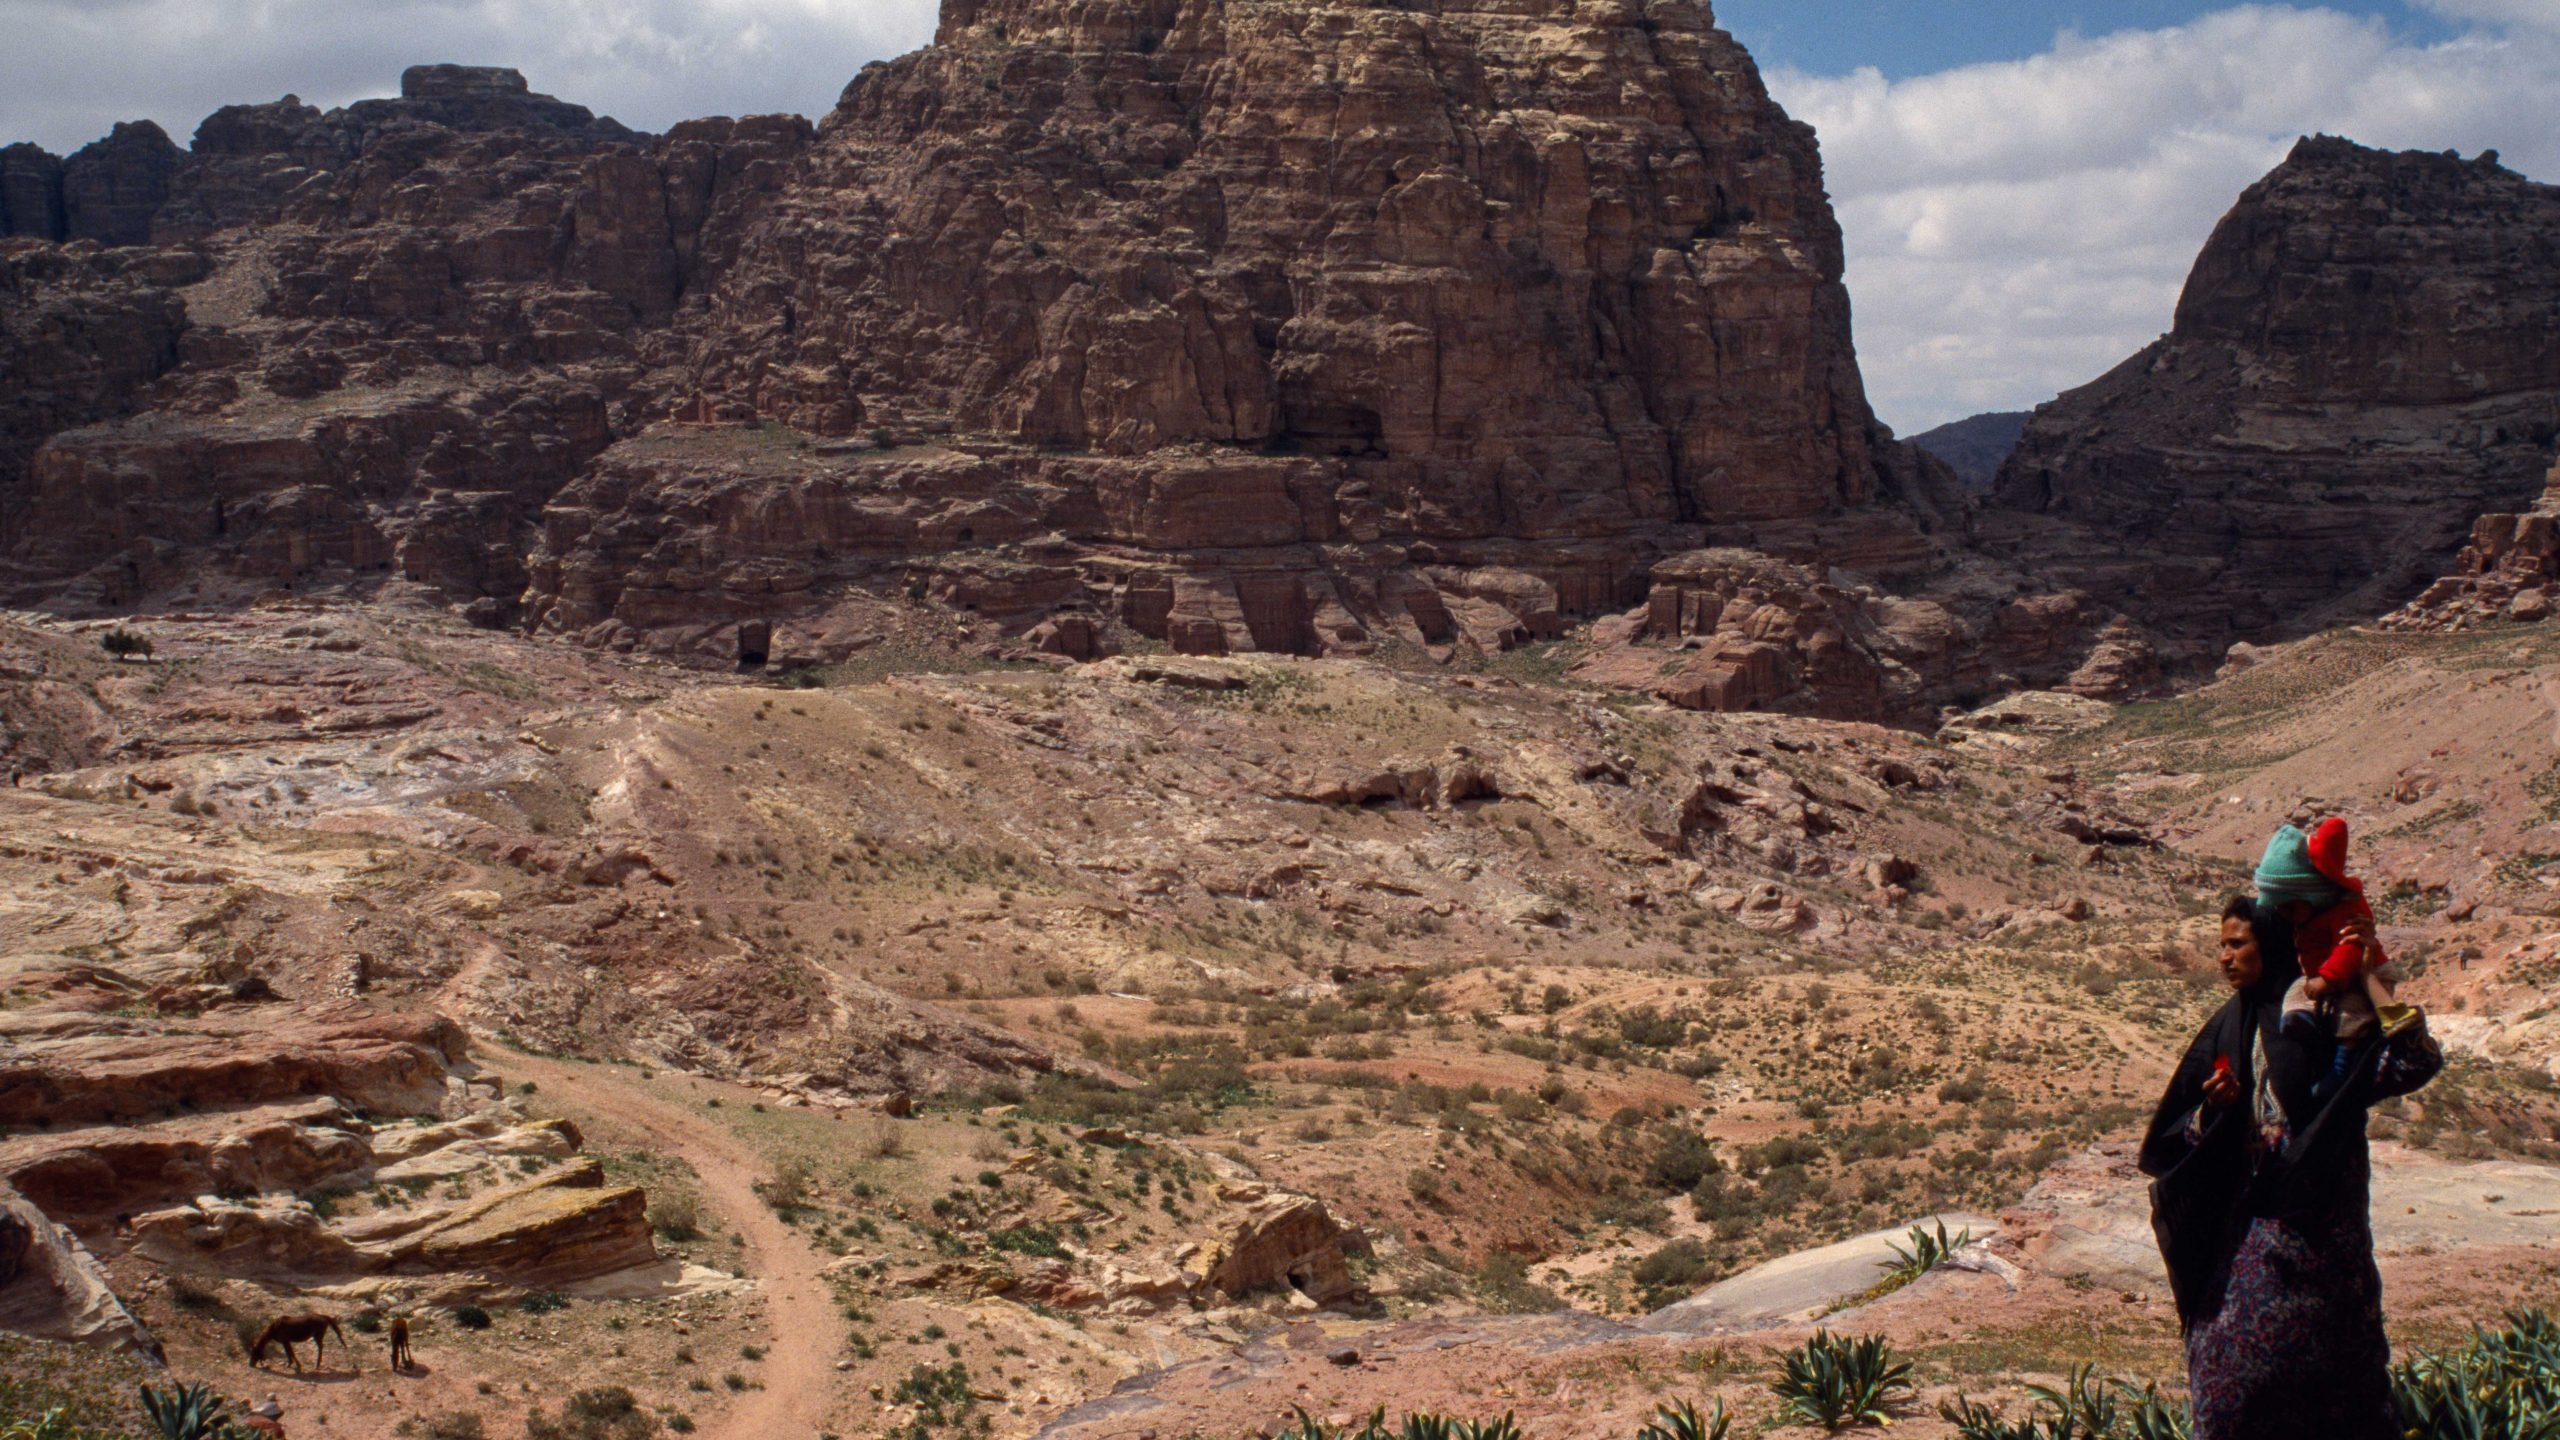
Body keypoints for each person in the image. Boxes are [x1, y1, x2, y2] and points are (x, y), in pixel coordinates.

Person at [2140, 896, 2442, 1440]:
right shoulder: (2230, 1027)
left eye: (2237, 944)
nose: (2224, 958)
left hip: (2328, 1239)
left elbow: (2413, 1061)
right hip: (2256, 1236)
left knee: (2343, 1385)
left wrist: (2366, 965)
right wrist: (2215, 1110)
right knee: (2226, 1376)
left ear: (2270, 946)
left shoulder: (2320, 1018)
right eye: (2221, 946)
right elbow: (2176, 1135)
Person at [2251, 821, 2408, 1095]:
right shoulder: (2303, 916)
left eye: (2291, 908)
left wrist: (2328, 979)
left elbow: (2349, 950)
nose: (2286, 916)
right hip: (2320, 978)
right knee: (2295, 995)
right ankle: (2303, 1020)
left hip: (2358, 979)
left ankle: (2342, 1065)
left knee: (2351, 1016)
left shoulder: (2344, 913)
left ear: (2313, 897)